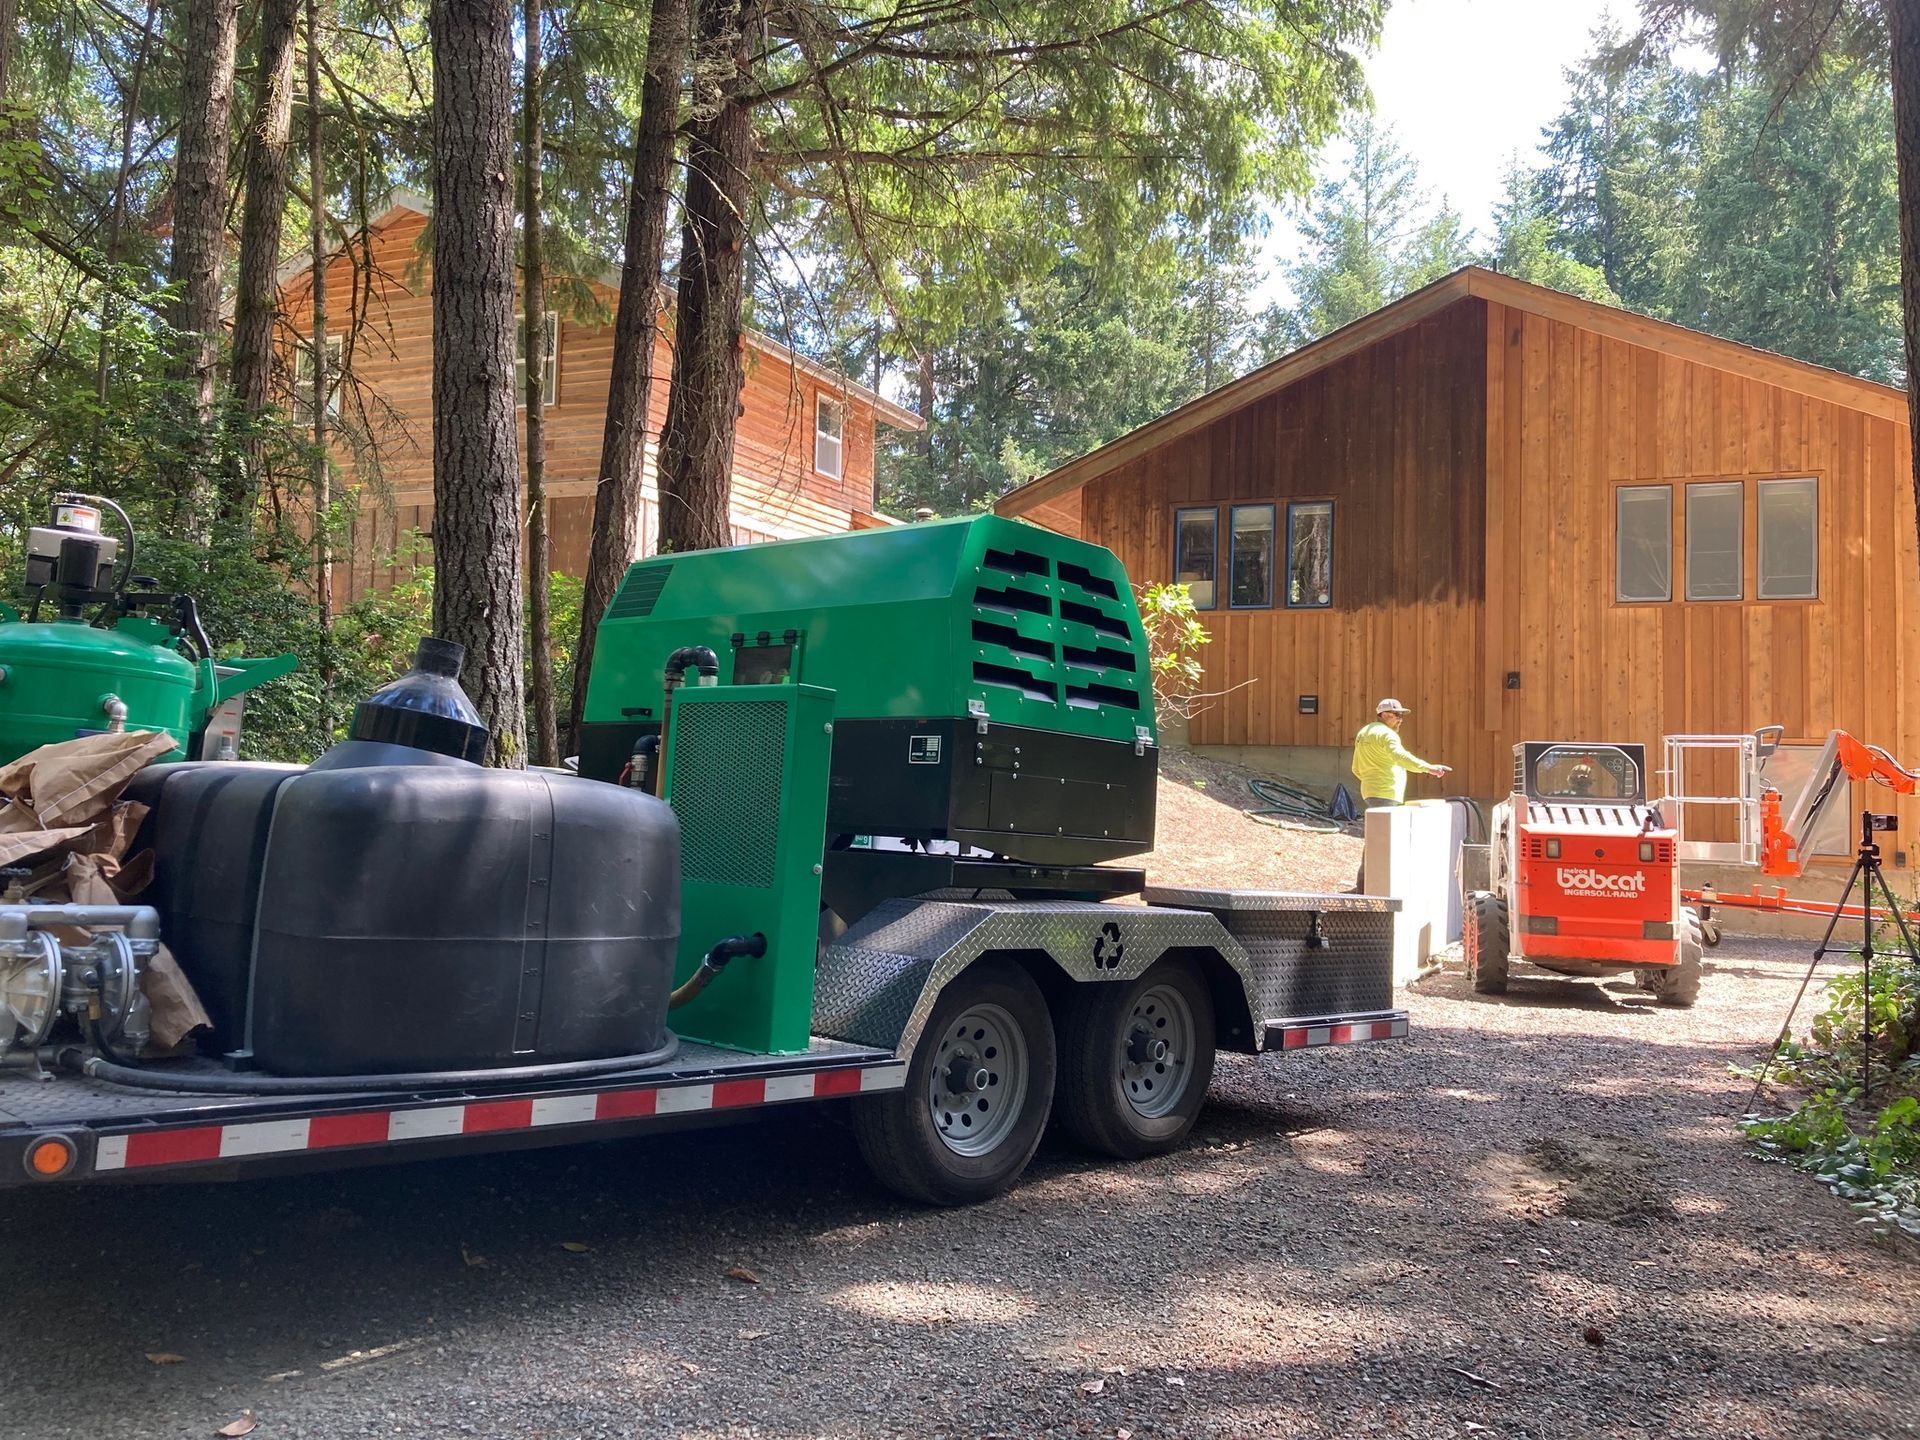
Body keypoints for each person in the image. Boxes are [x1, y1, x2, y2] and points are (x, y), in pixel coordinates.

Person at [1351, 698, 1450, 891]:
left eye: (1401, 715)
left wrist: (1369, 778)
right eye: (1397, 715)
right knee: (1383, 841)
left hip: (1370, 790)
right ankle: (1371, 887)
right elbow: (1400, 757)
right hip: (1386, 792)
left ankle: (1364, 885)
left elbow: (1355, 766)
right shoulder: (1387, 735)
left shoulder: (1364, 733)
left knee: (1376, 839)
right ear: (1385, 714)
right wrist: (1428, 768)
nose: (1401, 719)